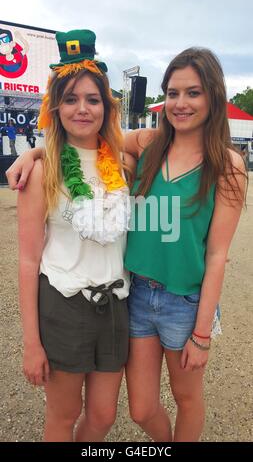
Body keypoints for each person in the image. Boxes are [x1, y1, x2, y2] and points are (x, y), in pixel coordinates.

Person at [6, 47, 247, 442]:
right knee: (123, 409)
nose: (180, 103)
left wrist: (202, 334)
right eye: (172, 92)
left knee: (153, 406)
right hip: (122, 298)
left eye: (193, 92)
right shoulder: (149, 146)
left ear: (214, 97)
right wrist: (33, 153)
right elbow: (84, 140)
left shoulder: (215, 164)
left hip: (168, 302)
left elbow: (218, 253)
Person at [15, 28, 133, 442]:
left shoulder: (122, 161)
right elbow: (29, 261)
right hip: (63, 304)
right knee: (63, 416)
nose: (82, 109)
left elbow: (169, 138)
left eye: (92, 99)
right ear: (55, 107)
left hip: (116, 304)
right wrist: (32, 343)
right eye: (70, 99)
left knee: (102, 417)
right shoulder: (42, 171)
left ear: (106, 106)